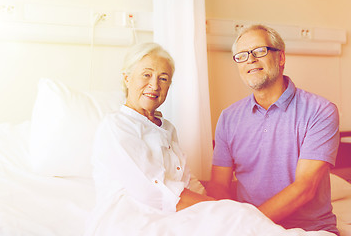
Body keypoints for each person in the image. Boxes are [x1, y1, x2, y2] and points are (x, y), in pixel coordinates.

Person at [84, 42, 335, 236]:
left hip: (174, 210)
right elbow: (153, 189)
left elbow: (186, 180)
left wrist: (218, 206)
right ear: (127, 78)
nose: (154, 85)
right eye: (146, 75)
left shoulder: (166, 128)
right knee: (236, 218)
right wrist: (222, 209)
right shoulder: (116, 126)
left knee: (236, 218)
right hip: (136, 216)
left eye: (163, 78)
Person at [207, 24, 340, 235]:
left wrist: (245, 225)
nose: (250, 59)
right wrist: (231, 221)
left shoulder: (321, 111)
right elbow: (219, 185)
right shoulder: (228, 118)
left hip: (308, 229)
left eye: (259, 51)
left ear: (281, 58)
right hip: (250, 228)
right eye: (241, 55)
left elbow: (305, 188)